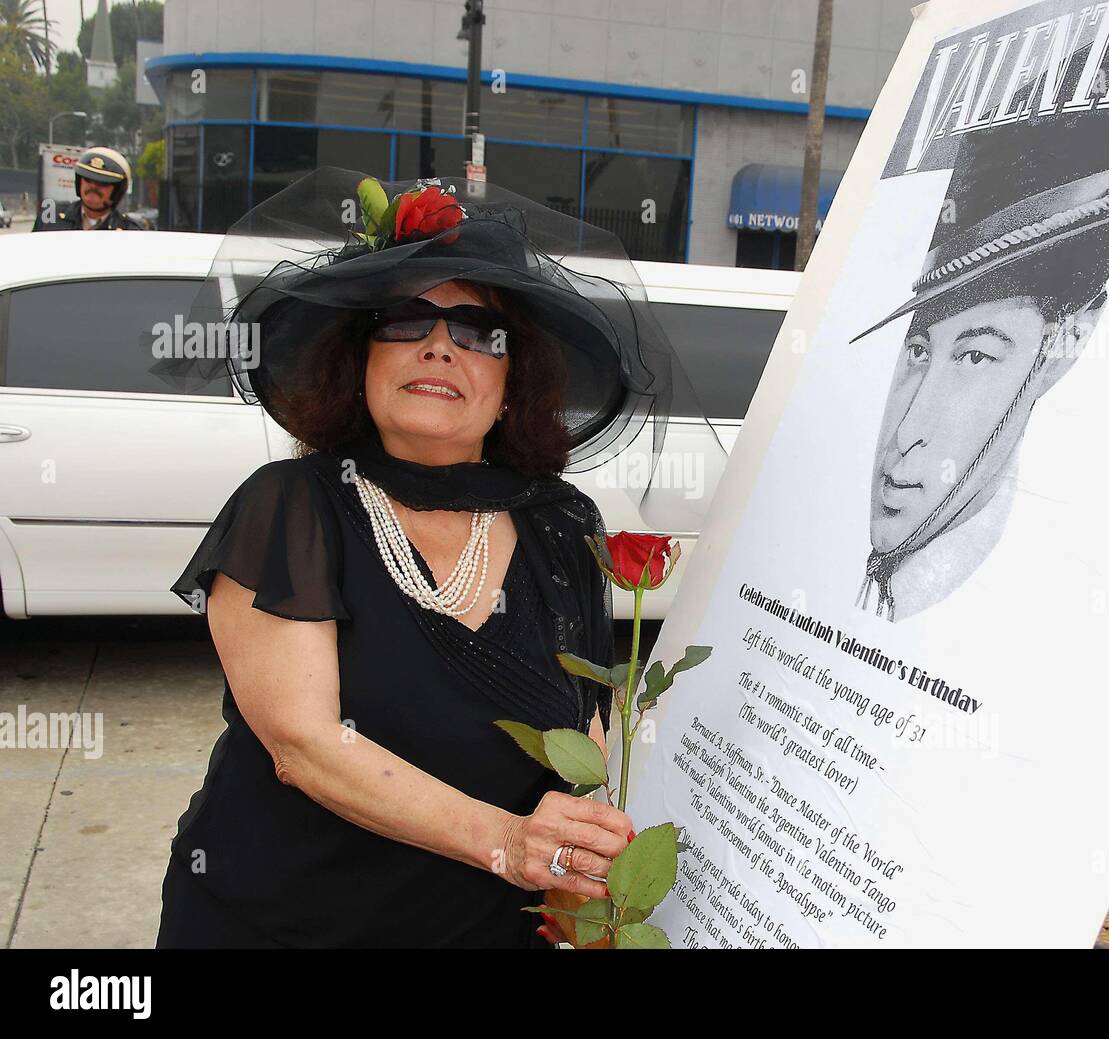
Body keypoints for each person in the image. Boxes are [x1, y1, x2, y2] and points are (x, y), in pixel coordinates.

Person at [151, 169, 704, 948]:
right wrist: (511, 843)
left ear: (513, 384)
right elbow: (303, 745)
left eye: (480, 333)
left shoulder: (561, 524)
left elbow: (589, 738)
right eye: (406, 323)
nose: (441, 346)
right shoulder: (291, 505)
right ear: (361, 361)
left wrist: (588, 876)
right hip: (276, 926)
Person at [852, 41, 1109, 623]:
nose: (906, 433)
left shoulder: (1055, 604)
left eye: (976, 356)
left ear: (1066, 343)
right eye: (918, 349)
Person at [31, 146, 143, 231]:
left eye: (102, 183)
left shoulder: (130, 230)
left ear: (118, 190)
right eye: (88, 180)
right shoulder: (51, 217)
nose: (93, 186)